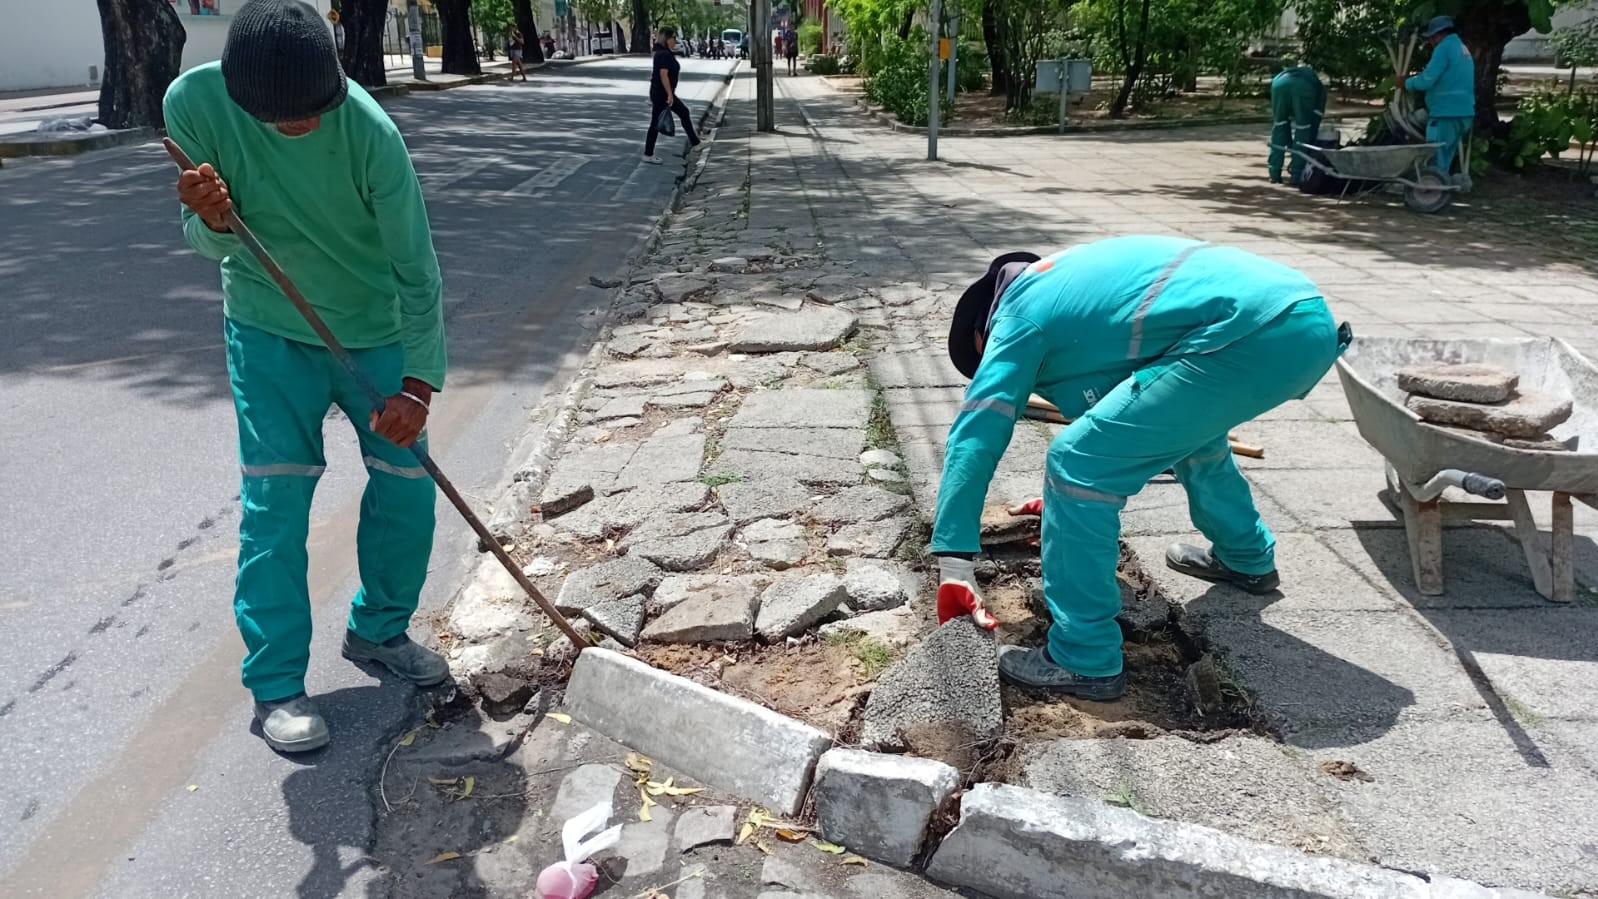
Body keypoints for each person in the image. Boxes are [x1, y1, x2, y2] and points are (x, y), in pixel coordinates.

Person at [163, 0, 449, 752]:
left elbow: (417, 272)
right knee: (276, 498)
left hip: (375, 330)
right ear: (240, 95)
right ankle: (278, 683)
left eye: (311, 113)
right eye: (279, 118)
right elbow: (207, 242)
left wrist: (417, 386)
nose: (298, 127)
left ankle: (380, 631)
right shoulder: (190, 106)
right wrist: (209, 216)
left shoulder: (370, 135)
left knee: (406, 483)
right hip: (267, 328)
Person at [934, 236, 1350, 699]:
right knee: (1196, 438)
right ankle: (1247, 558)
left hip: (1249, 332)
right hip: (1302, 318)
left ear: (983, 330)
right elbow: (1131, 418)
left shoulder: (1016, 318)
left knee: (1075, 465)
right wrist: (1061, 512)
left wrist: (953, 562)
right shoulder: (1074, 286)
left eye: (984, 358)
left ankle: (1083, 657)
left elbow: (975, 435)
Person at [1406, 15, 1475, 177]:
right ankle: (1439, 190)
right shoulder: (1461, 47)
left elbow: (1426, 80)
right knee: (1444, 158)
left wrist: (1406, 83)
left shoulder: (1443, 49)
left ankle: (1431, 195)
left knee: (1435, 159)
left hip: (1446, 112)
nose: (1430, 42)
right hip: (1463, 112)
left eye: (1431, 38)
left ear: (1438, 35)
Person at [643, 26, 701, 164]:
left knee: (682, 113)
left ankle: (696, 143)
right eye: (673, 37)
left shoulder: (663, 52)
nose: (675, 40)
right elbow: (664, 75)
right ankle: (648, 154)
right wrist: (669, 94)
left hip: (660, 93)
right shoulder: (663, 54)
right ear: (667, 39)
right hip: (662, 93)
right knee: (657, 122)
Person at [1266, 63, 1325, 184]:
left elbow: (1283, 133)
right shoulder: (1319, 88)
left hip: (1278, 83)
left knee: (1279, 125)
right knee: (1303, 129)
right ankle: (1296, 175)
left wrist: (1289, 144)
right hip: (1302, 87)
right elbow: (1314, 124)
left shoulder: (1289, 72)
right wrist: (1308, 144)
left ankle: (1274, 173)